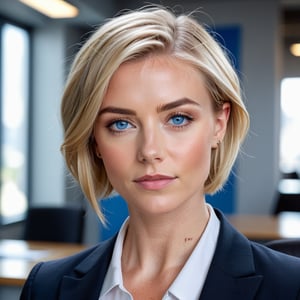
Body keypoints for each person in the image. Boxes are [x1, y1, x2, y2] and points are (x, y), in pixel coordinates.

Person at [21, 6, 300, 300]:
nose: (150, 151)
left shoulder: (290, 287)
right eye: (121, 124)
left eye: (178, 119)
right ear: (94, 142)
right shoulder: (45, 288)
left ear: (219, 125)